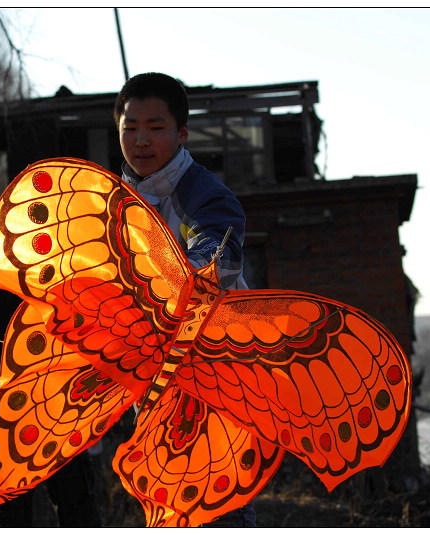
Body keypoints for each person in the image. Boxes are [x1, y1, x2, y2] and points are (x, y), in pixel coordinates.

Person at [114, 72, 255, 527]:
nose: (141, 140)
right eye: (130, 127)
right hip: (152, 372)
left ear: (182, 133)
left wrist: (179, 277)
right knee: (165, 493)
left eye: (155, 128)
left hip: (216, 365)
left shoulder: (203, 193)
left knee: (218, 493)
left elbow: (218, 247)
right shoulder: (114, 203)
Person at [0, 203, 102, 527]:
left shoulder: (42, 277)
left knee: (74, 493)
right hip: (5, 411)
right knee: (10, 501)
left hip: (57, 404)